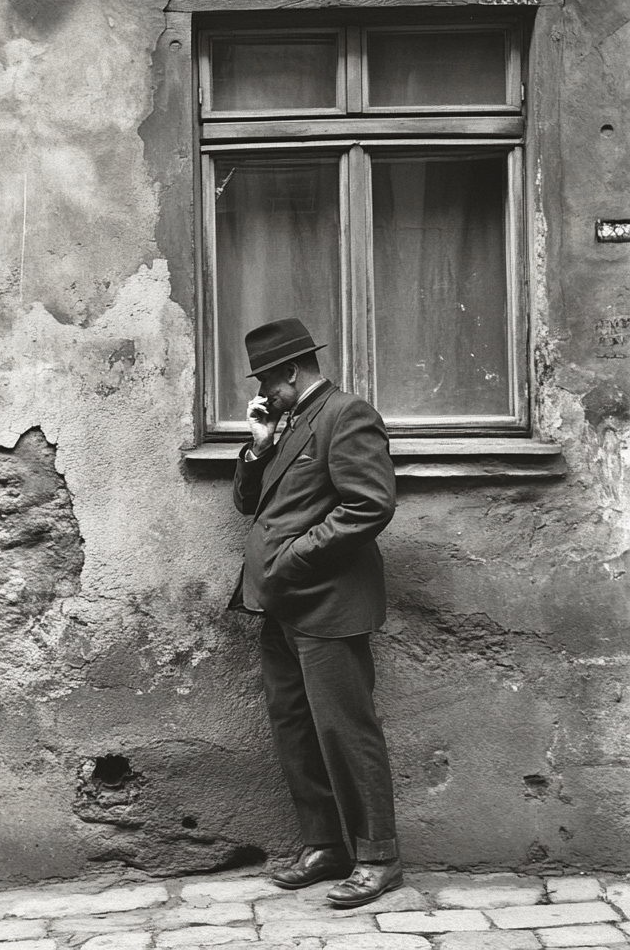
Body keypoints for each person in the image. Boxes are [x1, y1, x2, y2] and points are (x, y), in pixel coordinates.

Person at [230, 317, 402, 907]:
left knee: (345, 729)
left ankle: (378, 856)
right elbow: (249, 503)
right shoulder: (286, 423)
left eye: (266, 382)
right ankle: (324, 845)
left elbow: (369, 505)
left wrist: (293, 560)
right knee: (295, 727)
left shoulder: (345, 415)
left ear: (288, 371)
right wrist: (257, 446)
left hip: (325, 601)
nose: (261, 394)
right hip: (279, 604)